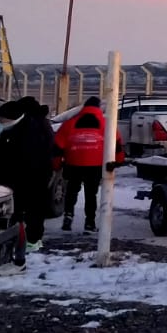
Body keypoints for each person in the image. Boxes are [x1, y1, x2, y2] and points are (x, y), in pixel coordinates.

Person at [0, 97, 56, 266]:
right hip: (34, 177)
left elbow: (23, 159)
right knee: (33, 211)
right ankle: (31, 240)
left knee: (25, 211)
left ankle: (28, 243)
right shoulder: (40, 125)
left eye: (2, 119)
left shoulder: (29, 131)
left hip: (28, 179)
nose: (0, 122)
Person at [55, 96, 105, 233]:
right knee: (91, 194)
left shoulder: (70, 123)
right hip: (94, 165)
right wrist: (117, 161)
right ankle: (89, 223)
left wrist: (57, 163)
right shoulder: (105, 124)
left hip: (73, 163)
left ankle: (68, 216)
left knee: (71, 190)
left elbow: (58, 145)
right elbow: (116, 143)